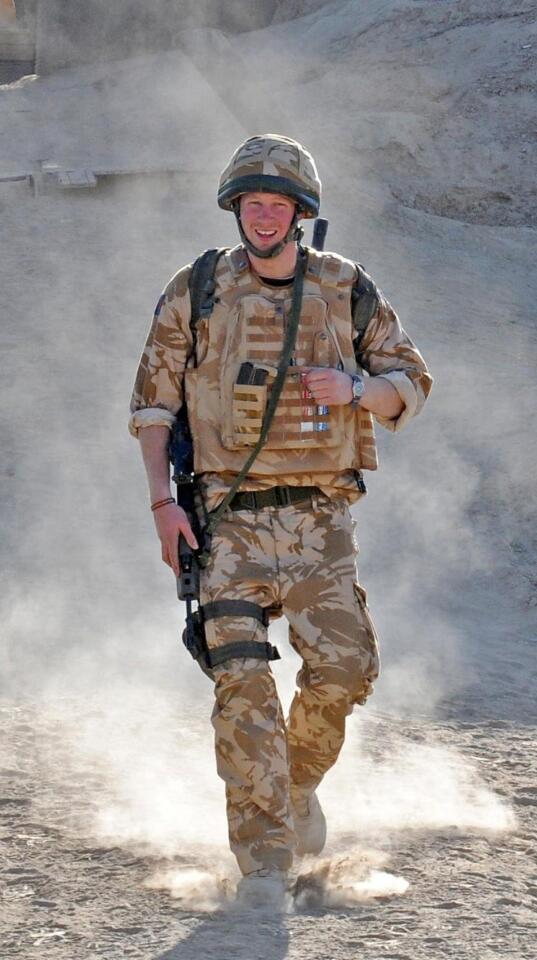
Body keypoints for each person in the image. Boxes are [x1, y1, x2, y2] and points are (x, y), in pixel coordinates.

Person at [129, 134, 432, 908]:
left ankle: (294, 788)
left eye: (278, 205)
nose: (263, 217)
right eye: (251, 204)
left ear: (301, 213)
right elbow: (153, 406)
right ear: (237, 210)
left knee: (345, 671)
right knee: (243, 685)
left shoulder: (344, 287)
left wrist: (357, 389)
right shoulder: (195, 287)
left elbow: (411, 380)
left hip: (319, 519)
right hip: (225, 516)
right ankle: (265, 867)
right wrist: (163, 506)